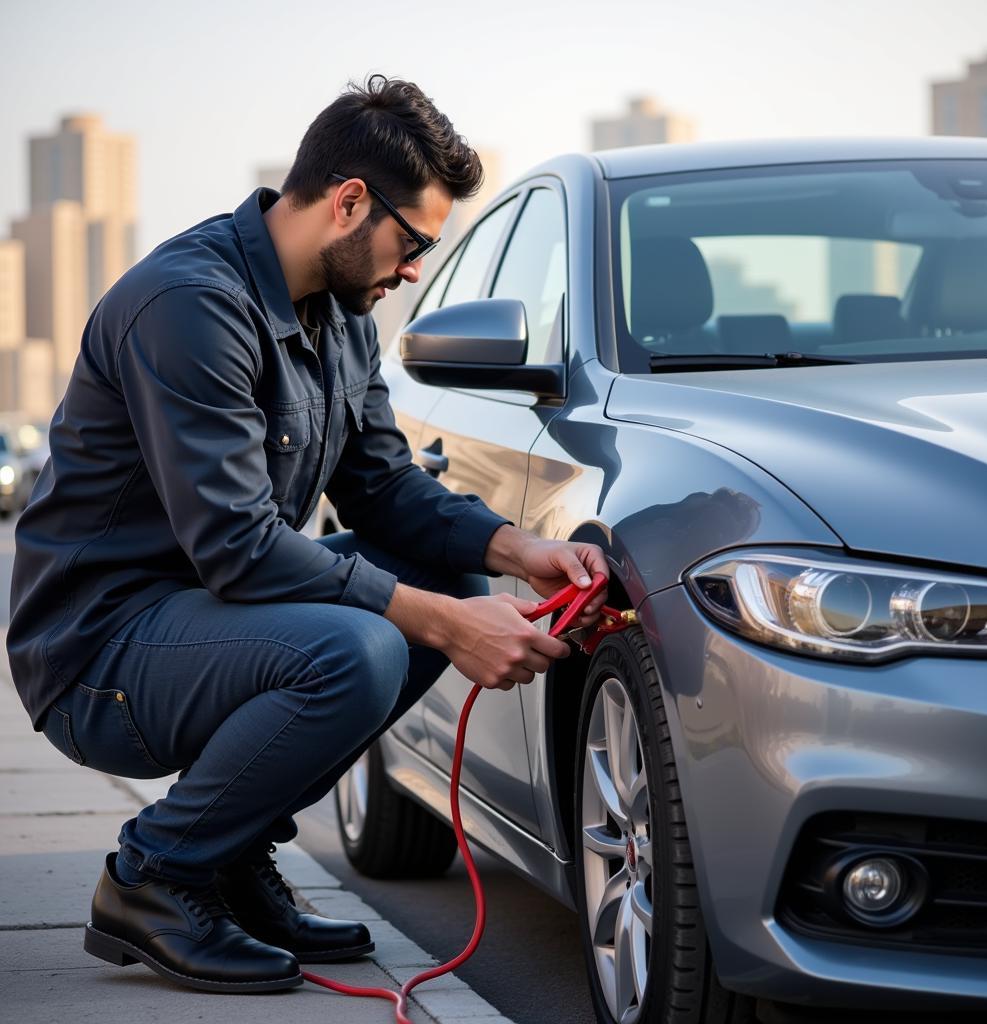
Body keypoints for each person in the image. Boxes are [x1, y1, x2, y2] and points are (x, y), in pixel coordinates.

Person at [6, 75, 609, 993]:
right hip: (101, 653)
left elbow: (385, 489)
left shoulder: (342, 319)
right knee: (362, 648)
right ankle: (155, 877)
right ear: (349, 202)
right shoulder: (188, 304)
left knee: (440, 573)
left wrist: (516, 548)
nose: (414, 271)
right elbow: (238, 545)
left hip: (206, 617)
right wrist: (440, 625)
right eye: (414, 244)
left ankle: (232, 853)